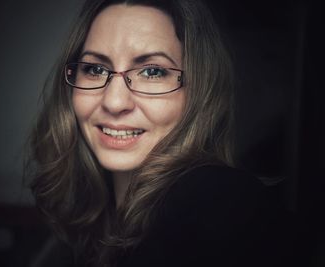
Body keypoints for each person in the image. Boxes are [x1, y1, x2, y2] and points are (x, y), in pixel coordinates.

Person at [28, 0, 289, 266]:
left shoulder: (219, 199)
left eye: (152, 71)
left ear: (198, 90)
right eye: (95, 69)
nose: (114, 102)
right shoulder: (84, 229)